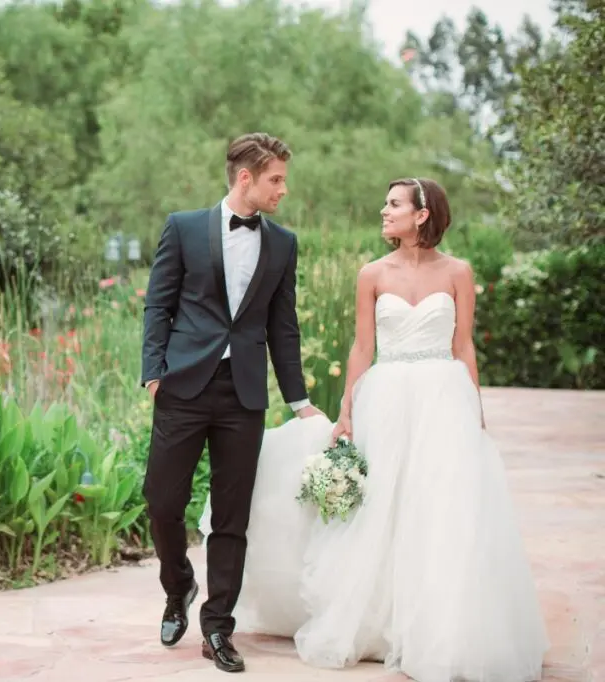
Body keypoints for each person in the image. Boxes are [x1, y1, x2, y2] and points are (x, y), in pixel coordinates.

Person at [199, 177, 550, 681]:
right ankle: (381, 625)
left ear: (422, 214)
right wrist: (346, 412)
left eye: (393, 204)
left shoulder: (459, 272)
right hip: (385, 397)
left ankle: (442, 626)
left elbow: (464, 346)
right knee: (382, 506)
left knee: (440, 508)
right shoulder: (371, 274)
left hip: (442, 397)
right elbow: (362, 349)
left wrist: (475, 408)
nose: (383, 211)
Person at [140, 132, 323, 674]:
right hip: (182, 387)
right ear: (246, 178)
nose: (283, 190)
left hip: (244, 395)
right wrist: (153, 372)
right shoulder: (185, 227)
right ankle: (179, 586)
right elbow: (159, 304)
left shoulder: (283, 243)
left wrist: (299, 400)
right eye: (276, 180)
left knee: (232, 517)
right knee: (162, 503)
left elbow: (282, 327)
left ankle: (218, 627)